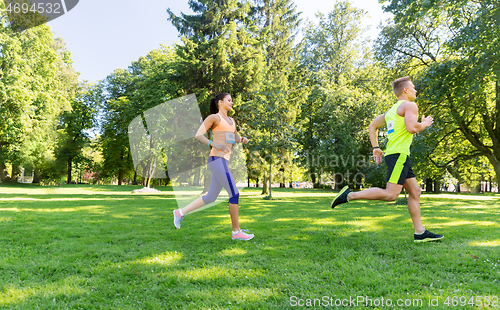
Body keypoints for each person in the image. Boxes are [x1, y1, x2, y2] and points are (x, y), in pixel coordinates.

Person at [331, 76, 444, 243]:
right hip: (399, 155)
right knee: (391, 195)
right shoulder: (410, 105)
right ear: (405, 90)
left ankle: (420, 232)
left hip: (398, 155)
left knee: (415, 191)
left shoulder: (392, 111)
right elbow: (411, 128)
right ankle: (349, 195)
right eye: (413, 87)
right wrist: (425, 123)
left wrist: (376, 147)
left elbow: (372, 126)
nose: (416, 90)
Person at [173, 93, 254, 240]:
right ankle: (236, 232)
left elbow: (234, 138)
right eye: (229, 100)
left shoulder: (231, 121)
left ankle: (180, 213)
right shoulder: (214, 118)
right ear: (220, 102)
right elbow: (198, 134)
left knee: (211, 197)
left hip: (224, 160)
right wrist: (213, 143)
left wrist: (242, 139)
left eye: (232, 100)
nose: (232, 102)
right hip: (217, 159)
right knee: (234, 194)